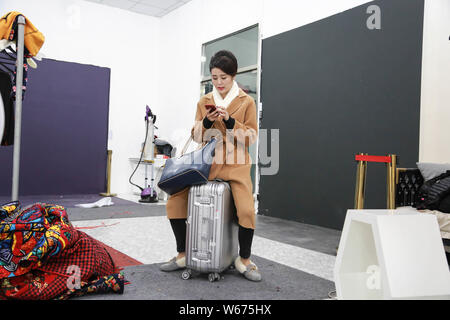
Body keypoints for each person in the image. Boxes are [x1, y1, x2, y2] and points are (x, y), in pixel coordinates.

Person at [160, 50, 261, 281]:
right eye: (214, 77)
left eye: (223, 77)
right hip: (206, 164)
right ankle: (183, 254)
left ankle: (244, 260)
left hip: (236, 165)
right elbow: (196, 136)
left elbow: (251, 137)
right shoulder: (204, 101)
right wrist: (206, 121)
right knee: (175, 202)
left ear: (233, 76)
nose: (219, 82)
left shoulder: (247, 102)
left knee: (246, 209)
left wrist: (229, 121)